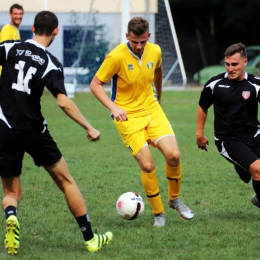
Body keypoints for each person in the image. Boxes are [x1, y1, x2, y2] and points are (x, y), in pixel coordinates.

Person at [0, 11, 112, 255]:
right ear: (55, 31)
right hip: (34, 131)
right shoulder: (51, 63)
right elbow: (63, 102)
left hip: (4, 128)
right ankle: (91, 239)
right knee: (66, 181)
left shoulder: (9, 47)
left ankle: (11, 215)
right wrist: (89, 126)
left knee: (10, 192)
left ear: (32, 28)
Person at [90, 16, 194, 227]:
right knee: (148, 165)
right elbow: (95, 84)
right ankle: (159, 214)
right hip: (127, 116)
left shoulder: (154, 50)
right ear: (127, 36)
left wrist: (159, 97)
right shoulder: (115, 57)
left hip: (152, 110)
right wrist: (114, 107)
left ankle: (174, 200)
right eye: (134, 41)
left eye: (142, 42)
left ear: (149, 37)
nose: (138, 46)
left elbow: (157, 70)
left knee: (173, 156)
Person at [196, 42, 260, 209]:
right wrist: (199, 134)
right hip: (229, 140)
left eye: (234, 64)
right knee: (258, 169)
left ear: (245, 63)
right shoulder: (214, 84)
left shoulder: (255, 84)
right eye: (227, 64)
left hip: (254, 135)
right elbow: (203, 106)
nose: (230, 68)